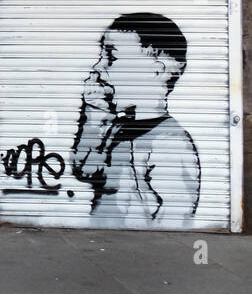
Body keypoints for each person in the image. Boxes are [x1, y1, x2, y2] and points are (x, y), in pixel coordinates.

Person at [70, 12, 200, 224]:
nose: (97, 67)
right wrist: (92, 117)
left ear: (157, 72)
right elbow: (85, 170)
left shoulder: (169, 141)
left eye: (111, 57)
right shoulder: (116, 126)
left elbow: (177, 215)